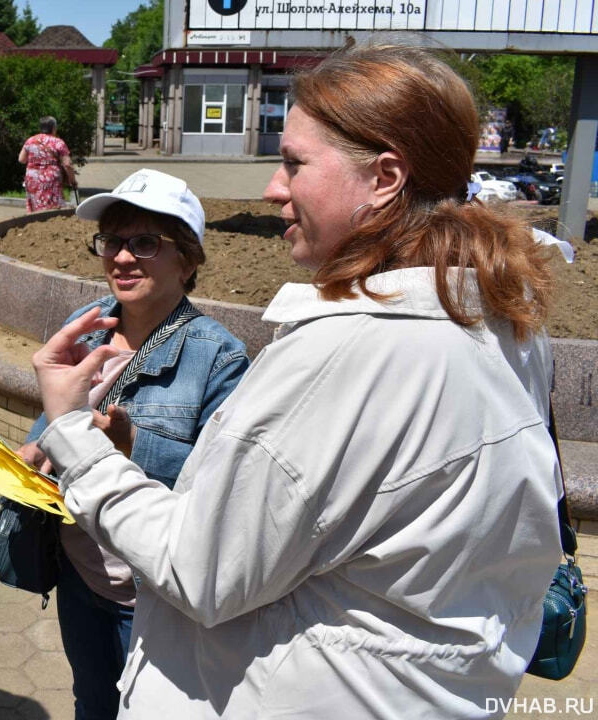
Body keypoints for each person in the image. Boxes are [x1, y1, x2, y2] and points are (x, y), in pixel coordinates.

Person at [29, 43, 562, 719]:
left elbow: (201, 569)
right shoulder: (502, 317)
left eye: (294, 163)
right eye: (111, 241)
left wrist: (75, 433)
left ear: (385, 176)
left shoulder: (348, 352)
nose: (272, 188)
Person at [16, 169, 248, 720]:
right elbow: (53, 411)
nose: (122, 257)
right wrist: (27, 451)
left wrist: (132, 443)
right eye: (113, 241)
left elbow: (222, 487)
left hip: (149, 597)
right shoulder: (87, 324)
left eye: (146, 243)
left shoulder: (218, 357)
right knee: (91, 703)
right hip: (79, 573)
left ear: (187, 260)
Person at [20, 116, 77, 212]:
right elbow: (67, 165)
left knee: (35, 207)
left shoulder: (30, 140)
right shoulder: (58, 142)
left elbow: (21, 159)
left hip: (32, 178)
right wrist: (73, 181)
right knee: (52, 209)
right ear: (54, 128)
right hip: (50, 179)